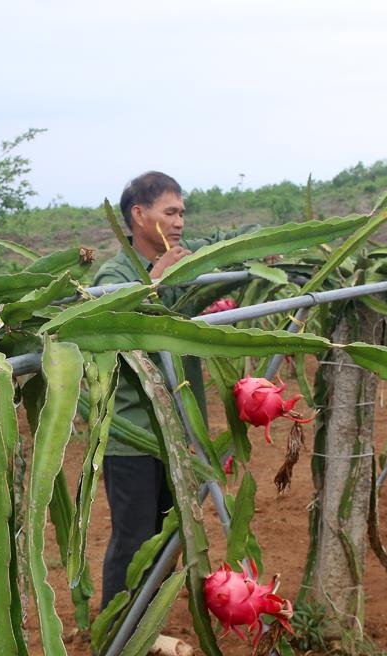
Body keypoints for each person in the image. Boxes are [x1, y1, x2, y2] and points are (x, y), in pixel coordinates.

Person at [93, 171, 256, 608]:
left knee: (169, 533)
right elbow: (112, 327)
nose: (180, 221)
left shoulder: (186, 261)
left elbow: (233, 246)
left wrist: (262, 251)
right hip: (133, 431)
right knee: (134, 537)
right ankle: (117, 633)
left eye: (183, 212)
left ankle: (146, 624)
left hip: (178, 428)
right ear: (139, 215)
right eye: (171, 212)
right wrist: (155, 282)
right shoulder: (115, 273)